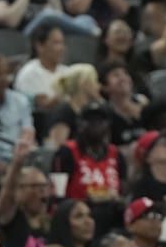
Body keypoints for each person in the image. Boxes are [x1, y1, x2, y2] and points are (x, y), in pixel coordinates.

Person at [52, 101, 127, 237]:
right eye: (90, 120)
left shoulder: (116, 154)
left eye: (100, 121)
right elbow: (58, 195)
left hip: (111, 215)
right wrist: (88, 200)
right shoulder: (67, 152)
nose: (95, 125)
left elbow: (123, 191)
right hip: (78, 214)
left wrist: (116, 199)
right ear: (80, 124)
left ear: (108, 125)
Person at [45, 64, 104, 148]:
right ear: (84, 84)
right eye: (95, 81)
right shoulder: (63, 113)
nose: (99, 86)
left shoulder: (91, 112)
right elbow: (58, 148)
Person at [13, 24, 68, 111]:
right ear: (40, 46)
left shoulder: (68, 72)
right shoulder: (28, 74)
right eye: (56, 43)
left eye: (63, 43)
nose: (62, 48)